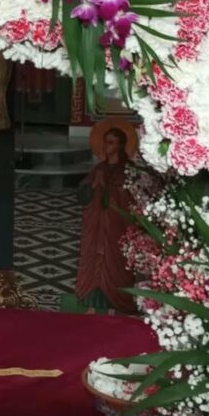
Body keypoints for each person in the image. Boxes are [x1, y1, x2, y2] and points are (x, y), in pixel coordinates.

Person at [74, 124, 135, 313]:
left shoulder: (127, 170)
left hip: (116, 226)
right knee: (96, 261)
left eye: (111, 143)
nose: (106, 146)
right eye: (105, 142)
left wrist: (111, 189)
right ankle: (92, 305)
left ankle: (114, 305)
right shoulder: (99, 168)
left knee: (115, 261)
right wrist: (93, 186)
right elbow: (83, 194)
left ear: (120, 146)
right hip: (97, 225)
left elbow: (131, 197)